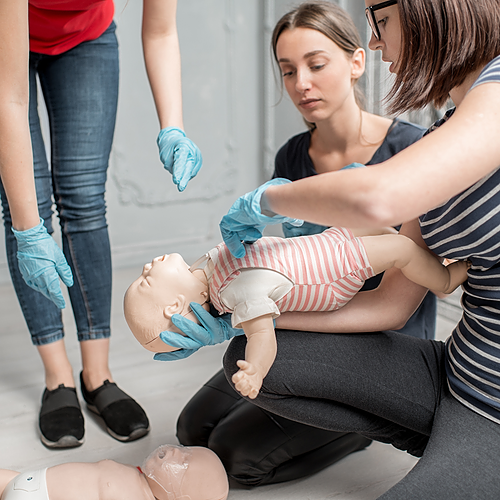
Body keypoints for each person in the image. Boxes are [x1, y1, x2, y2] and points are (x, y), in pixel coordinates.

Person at [213, 0, 500, 497]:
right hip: (461, 369)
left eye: (380, 21)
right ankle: (450, 447)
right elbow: (390, 304)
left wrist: (268, 199)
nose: (374, 40)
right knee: (254, 358)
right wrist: (247, 315)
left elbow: (376, 196)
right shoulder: (442, 135)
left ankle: (460, 452)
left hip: (492, 403)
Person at [171, 1, 438, 487]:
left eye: (316, 65)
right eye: (288, 70)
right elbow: (286, 270)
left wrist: (246, 322)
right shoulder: (293, 155)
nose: (301, 84)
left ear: (357, 61)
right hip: (306, 327)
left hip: (379, 336)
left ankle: (359, 424)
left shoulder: (411, 153)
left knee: (236, 460)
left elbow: (395, 307)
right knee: (193, 428)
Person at [0, 0, 202, 449]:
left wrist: (173, 126)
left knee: (85, 201)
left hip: (86, 38)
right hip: (4, 31)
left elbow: (160, 32)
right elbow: (9, 97)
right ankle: (58, 379)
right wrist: (29, 232)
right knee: (27, 209)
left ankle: (97, 375)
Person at [124, 223, 467, 399]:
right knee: (400, 248)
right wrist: (255, 370)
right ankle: (446, 279)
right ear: (173, 306)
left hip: (325, 244)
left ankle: (432, 262)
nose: (146, 268)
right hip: (331, 273)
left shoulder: (209, 267)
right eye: (145, 281)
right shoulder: (236, 292)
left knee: (379, 229)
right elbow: (263, 337)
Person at [0, 444, 229, 500]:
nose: (175, 451)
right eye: (185, 448)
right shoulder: (137, 474)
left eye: (185, 461)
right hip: (26, 480)